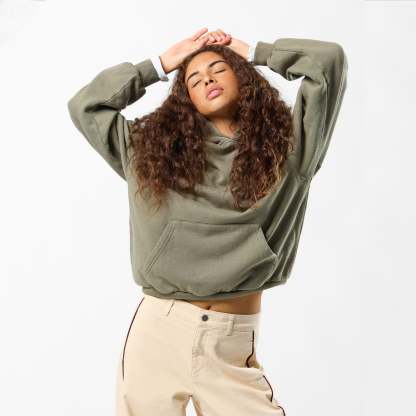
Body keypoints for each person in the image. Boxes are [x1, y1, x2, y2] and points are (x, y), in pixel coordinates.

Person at [67, 27, 348, 415]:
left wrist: (253, 51)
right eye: (194, 79)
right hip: (157, 333)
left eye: (219, 68)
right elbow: (86, 106)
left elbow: (328, 62)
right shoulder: (151, 155)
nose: (207, 79)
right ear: (186, 99)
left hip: (230, 342)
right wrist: (160, 64)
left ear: (243, 76)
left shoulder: (291, 149)